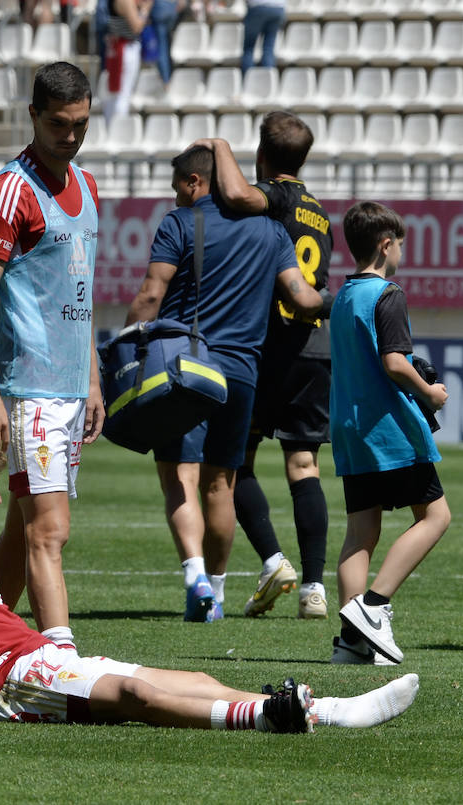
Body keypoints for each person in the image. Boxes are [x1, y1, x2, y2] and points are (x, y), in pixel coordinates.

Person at [0, 428, 420, 730]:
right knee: (138, 692)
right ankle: (279, 715)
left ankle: (319, 706)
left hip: (32, 659)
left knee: (184, 679)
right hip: (15, 678)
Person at [124, 143, 321, 622]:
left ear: (195, 182)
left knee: (179, 478)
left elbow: (152, 293)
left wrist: (126, 342)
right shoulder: (273, 231)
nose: (175, 199)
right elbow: (302, 297)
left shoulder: (181, 223)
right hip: (242, 373)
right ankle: (217, 592)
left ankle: (195, 578)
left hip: (186, 367)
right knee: (221, 485)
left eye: (178, 189)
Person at [0, 61, 103, 642]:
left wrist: (92, 380)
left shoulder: (88, 186)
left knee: (22, 534)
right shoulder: (9, 191)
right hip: (30, 392)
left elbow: (80, 294)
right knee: (49, 531)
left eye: (81, 125)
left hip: (69, 390)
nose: (70, 137)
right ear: (33, 117)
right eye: (59, 125)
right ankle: (62, 666)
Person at [195, 114, 333, 620]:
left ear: (263, 154)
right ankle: (314, 589)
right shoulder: (319, 211)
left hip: (269, 345)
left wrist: (219, 146)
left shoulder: (277, 196)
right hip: (314, 347)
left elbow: (237, 198)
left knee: (237, 462)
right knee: (304, 466)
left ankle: (274, 561)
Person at [324, 202, 451, 665]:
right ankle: (375, 608)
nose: (400, 253)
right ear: (385, 245)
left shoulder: (342, 295)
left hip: (350, 428)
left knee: (360, 531)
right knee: (435, 517)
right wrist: (430, 394)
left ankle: (351, 643)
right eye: (399, 245)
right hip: (388, 430)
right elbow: (395, 363)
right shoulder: (387, 293)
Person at [103, 0, 149, 121]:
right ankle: (117, 127)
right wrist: (144, 11)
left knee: (115, 90)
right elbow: (136, 26)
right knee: (124, 91)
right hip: (126, 47)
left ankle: (112, 125)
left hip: (116, 46)